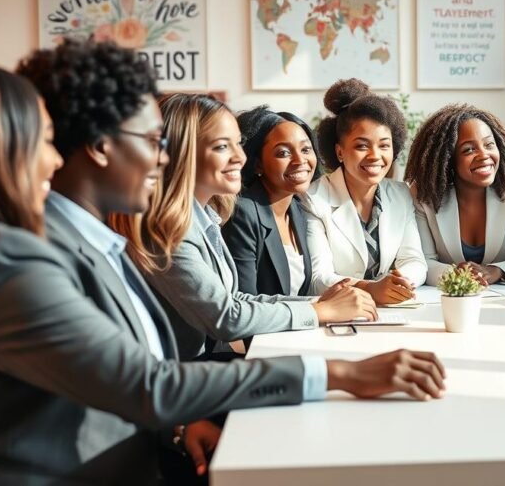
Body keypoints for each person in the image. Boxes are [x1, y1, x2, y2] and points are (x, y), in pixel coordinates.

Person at [0, 42, 442, 485]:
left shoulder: (88, 240)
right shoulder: (12, 254)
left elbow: (116, 372)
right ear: (103, 145)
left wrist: (178, 423)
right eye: (152, 140)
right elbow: (148, 382)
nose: (166, 159)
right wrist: (339, 373)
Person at [111, 95, 375, 362]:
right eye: (222, 147)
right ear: (183, 153)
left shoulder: (205, 219)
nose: (240, 157)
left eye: (238, 144)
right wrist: (320, 312)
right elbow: (226, 317)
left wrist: (318, 305)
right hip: (182, 376)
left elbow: (235, 298)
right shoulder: (167, 228)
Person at [306, 78, 427, 304]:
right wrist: (371, 289)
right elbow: (318, 278)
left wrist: (400, 283)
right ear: (340, 152)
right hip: (339, 312)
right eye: (362, 145)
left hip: (391, 310)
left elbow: (415, 260)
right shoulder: (313, 199)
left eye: (384, 145)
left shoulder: (401, 194)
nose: (375, 156)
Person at [404, 104, 505, 285]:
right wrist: (459, 275)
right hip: (448, 298)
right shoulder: (424, 194)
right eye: (469, 150)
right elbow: (422, 261)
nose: (484, 155)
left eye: (489, 145)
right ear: (448, 159)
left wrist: (495, 271)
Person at [221, 105, 324, 298]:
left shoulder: (298, 209)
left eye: (305, 149)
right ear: (257, 163)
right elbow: (245, 302)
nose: (299, 160)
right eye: (283, 153)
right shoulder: (243, 214)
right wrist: (319, 307)